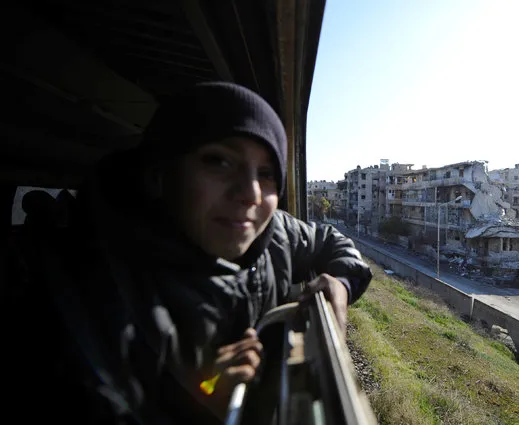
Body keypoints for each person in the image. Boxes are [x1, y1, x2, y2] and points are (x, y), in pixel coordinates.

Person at [7, 82, 372, 424]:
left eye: (266, 173)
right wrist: (202, 406)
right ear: (158, 175)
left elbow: (331, 242)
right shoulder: (89, 303)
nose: (251, 193)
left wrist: (341, 283)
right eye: (218, 161)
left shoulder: (274, 232)